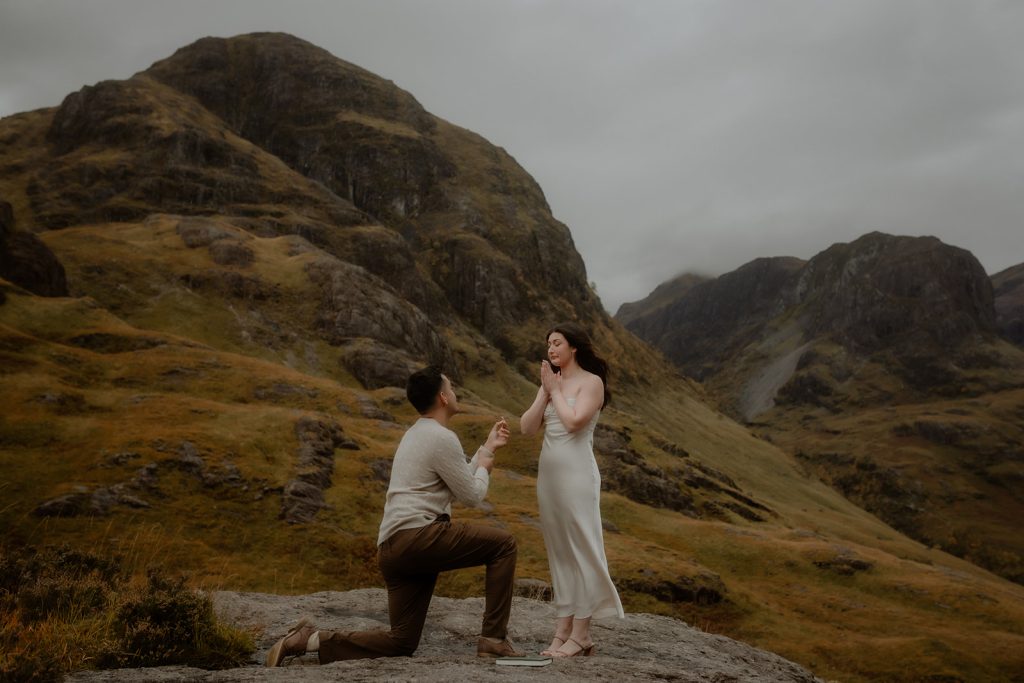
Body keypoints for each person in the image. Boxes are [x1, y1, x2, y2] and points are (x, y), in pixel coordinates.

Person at [266, 366, 521, 666]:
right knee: (504, 545)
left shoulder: (415, 434)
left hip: (393, 549)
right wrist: (485, 467)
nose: (455, 393)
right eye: (451, 388)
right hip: (419, 539)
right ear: (442, 397)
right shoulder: (442, 437)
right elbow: (472, 494)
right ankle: (493, 640)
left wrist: (486, 448)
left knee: (401, 641)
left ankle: (308, 640)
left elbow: (454, 484)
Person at [520, 322, 624, 658]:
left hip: (578, 478)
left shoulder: (591, 383)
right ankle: (562, 630)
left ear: (574, 347)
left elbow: (574, 422)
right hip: (549, 479)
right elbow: (526, 428)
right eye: (548, 344)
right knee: (560, 552)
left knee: (583, 550)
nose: (551, 350)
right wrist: (545, 390)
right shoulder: (551, 382)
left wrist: (555, 390)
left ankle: (582, 633)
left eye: (557, 343)